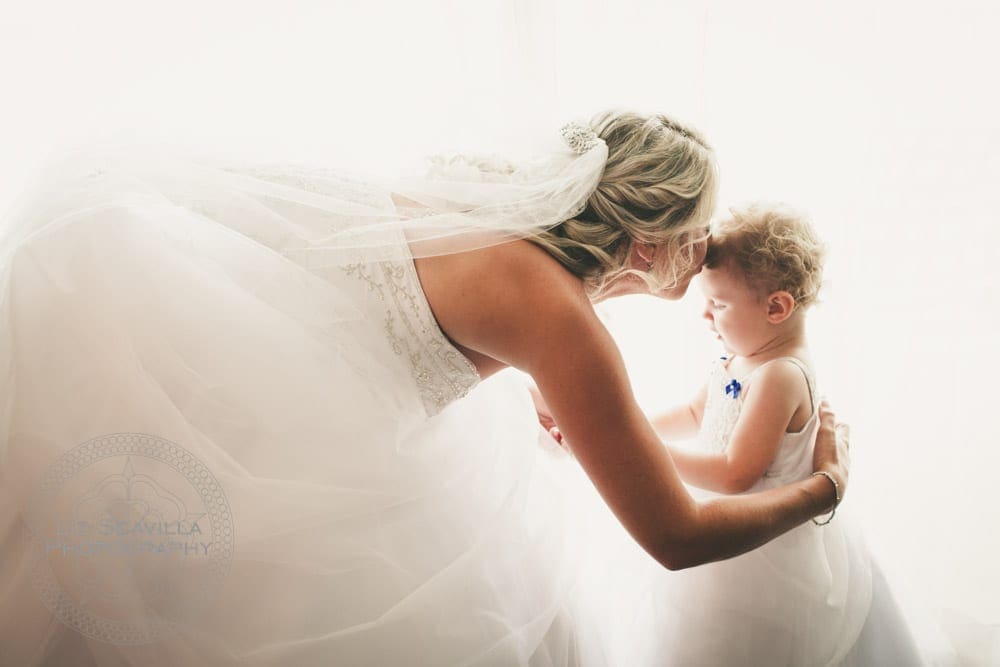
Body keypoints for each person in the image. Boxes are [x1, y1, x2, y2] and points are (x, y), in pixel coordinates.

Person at [0, 110, 849, 666]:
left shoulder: (488, 194)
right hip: (293, 419)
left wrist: (533, 386)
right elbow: (676, 534)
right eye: (697, 226)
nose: (707, 247)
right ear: (647, 243)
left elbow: (433, 308)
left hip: (237, 341)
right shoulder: (563, 322)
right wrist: (822, 486)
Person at [550, 203, 925, 666]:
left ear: (776, 307)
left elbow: (735, 474)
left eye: (720, 305)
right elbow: (696, 412)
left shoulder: (779, 375)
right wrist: (619, 426)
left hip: (762, 555)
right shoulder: (742, 356)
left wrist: (644, 450)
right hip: (723, 526)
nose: (706, 316)